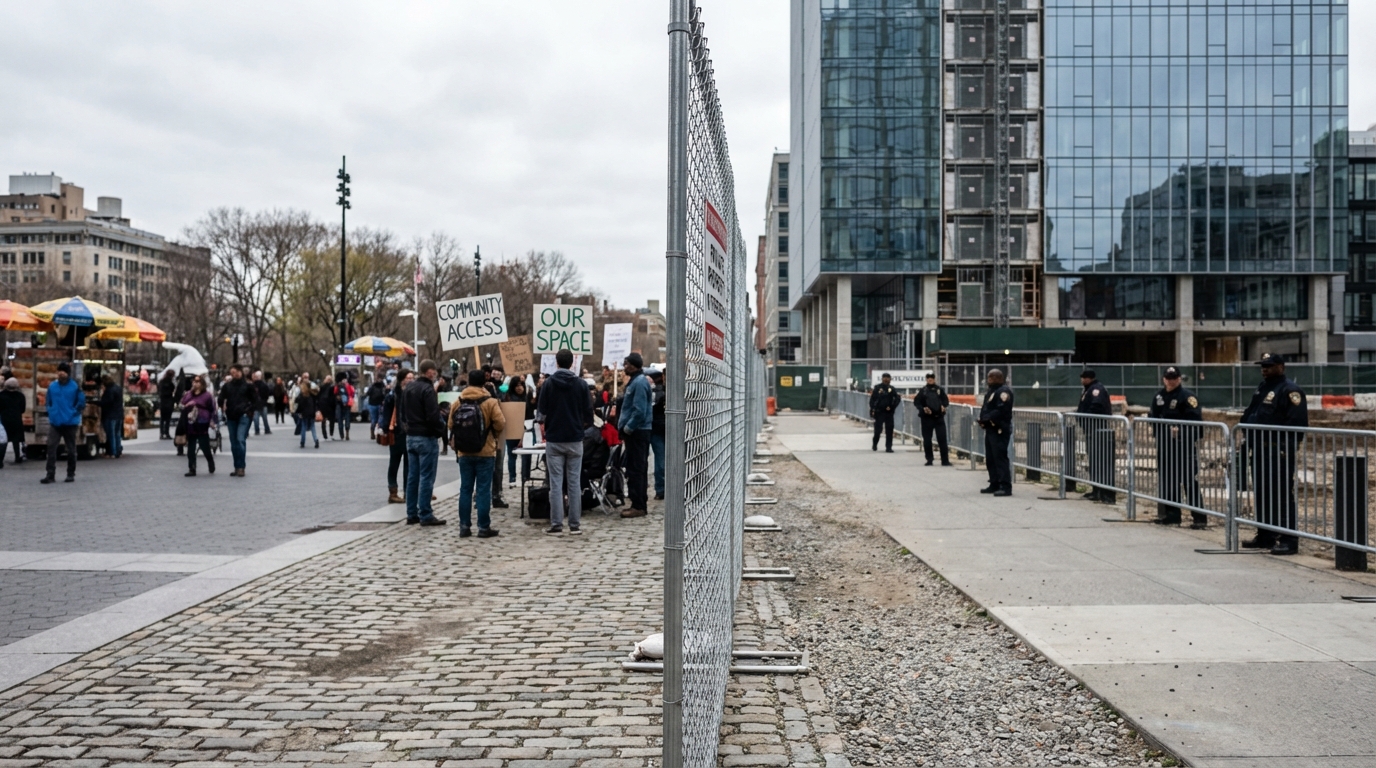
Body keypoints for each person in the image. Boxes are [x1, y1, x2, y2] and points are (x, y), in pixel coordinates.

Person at [1240, 353, 1309, 556]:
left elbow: (1296, 424)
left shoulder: (1290, 390)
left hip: (1277, 450)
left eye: (1269, 366)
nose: (1264, 369)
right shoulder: (1263, 388)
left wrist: (1285, 449)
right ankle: (1265, 534)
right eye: (1263, 365)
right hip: (1259, 448)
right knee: (1262, 493)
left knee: (1281, 494)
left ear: (1281, 366)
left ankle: (1289, 539)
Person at [537, 349, 594, 534]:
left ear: (557, 362)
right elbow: (589, 414)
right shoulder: (581, 384)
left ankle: (556, 524)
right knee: (574, 483)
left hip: (554, 439)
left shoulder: (548, 384)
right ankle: (575, 524)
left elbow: (541, 413)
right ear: (572, 363)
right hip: (575, 438)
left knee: (555, 484)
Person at [1148, 366, 1206, 529]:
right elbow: (1153, 417)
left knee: (1189, 481)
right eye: (1168, 377)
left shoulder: (1187, 397)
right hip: (1165, 446)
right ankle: (1172, 516)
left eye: (1174, 378)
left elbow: (1196, 423)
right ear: (1163, 379)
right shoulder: (1159, 396)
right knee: (1168, 481)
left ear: (1179, 379)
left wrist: (1181, 433)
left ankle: (1199, 518)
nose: (1171, 381)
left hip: (1183, 448)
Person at [451, 369, 506, 538]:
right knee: (483, 490)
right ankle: (483, 527)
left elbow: (450, 424)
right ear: (484, 382)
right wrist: (493, 435)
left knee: (465, 489)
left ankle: (464, 526)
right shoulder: (490, 401)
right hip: (485, 451)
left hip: (464, 452)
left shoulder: (459, 400)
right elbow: (500, 423)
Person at [402, 359, 448, 527]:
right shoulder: (427, 389)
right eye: (433, 371)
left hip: (411, 436)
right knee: (426, 477)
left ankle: (411, 513)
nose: (434, 374)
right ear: (429, 372)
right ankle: (425, 514)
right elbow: (432, 416)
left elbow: (403, 412)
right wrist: (441, 429)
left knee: (413, 477)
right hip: (425, 437)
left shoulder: (409, 388)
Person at [618, 352, 653, 518]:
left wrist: (628, 428)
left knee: (636, 469)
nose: (624, 367)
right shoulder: (636, 381)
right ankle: (638, 502)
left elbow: (639, 410)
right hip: (637, 432)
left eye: (627, 364)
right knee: (635, 468)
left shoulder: (639, 383)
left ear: (634, 365)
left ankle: (638, 505)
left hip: (637, 433)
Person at [1076, 369, 1116, 503]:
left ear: (1090, 378)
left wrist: (1085, 416)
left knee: (1099, 460)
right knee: (1093, 460)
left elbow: (1097, 407)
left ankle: (1103, 491)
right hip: (1090, 430)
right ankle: (1096, 489)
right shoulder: (1088, 389)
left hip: (1097, 430)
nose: (1082, 380)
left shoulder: (1096, 390)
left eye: (1084, 377)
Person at [41, 362, 84, 484]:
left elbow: (81, 402)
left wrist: (73, 413)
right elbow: (48, 400)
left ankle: (70, 473)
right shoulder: (52, 386)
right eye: (59, 371)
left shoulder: (75, 387)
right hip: (55, 421)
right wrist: (50, 411)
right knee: (51, 447)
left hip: (70, 422)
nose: (61, 373)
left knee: (70, 449)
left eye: (63, 371)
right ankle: (50, 474)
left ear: (68, 373)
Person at [977, 368, 1013, 497]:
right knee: (991, 458)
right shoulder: (991, 391)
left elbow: (1001, 409)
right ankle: (994, 483)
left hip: (1000, 428)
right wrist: (983, 420)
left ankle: (1005, 485)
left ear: (1000, 378)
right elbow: (986, 407)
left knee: (1000, 457)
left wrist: (987, 418)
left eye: (993, 377)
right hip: (990, 428)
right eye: (989, 377)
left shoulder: (1003, 392)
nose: (990, 380)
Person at [218, 364, 258, 477]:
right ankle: (237, 466)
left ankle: (241, 467)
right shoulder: (227, 386)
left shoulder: (248, 386)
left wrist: (249, 410)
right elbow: (221, 398)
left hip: (244, 415)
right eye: (232, 373)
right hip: (231, 415)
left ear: (241, 372)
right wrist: (222, 406)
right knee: (234, 442)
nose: (234, 374)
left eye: (235, 372)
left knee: (240, 439)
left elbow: (256, 401)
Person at [382, 369, 412, 504]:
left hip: (409, 433)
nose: (411, 380)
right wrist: (385, 429)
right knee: (394, 463)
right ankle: (393, 492)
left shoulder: (413, 394)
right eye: (408, 378)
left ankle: (407, 492)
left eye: (412, 378)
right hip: (396, 432)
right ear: (401, 380)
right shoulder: (392, 395)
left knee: (409, 464)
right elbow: (386, 413)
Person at [180, 374, 217, 476]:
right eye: (194, 381)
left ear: (202, 384)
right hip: (190, 422)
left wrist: (212, 421)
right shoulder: (188, 394)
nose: (195, 383)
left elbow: (212, 409)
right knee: (191, 446)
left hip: (202, 421)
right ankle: (192, 468)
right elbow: (182, 405)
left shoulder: (207, 395)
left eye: (197, 381)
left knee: (204, 445)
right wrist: (186, 405)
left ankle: (210, 460)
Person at [504, 375, 535, 487]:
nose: (519, 387)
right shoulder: (507, 397)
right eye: (516, 385)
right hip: (513, 429)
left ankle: (525, 476)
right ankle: (513, 477)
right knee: (512, 455)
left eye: (521, 385)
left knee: (526, 455)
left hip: (526, 428)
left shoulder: (528, 397)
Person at [914, 373, 951, 466]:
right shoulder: (923, 391)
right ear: (926, 379)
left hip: (939, 418)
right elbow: (917, 402)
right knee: (927, 440)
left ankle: (945, 460)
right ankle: (929, 459)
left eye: (932, 378)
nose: (930, 380)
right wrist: (923, 409)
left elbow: (946, 400)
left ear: (934, 379)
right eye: (928, 378)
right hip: (927, 418)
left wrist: (944, 406)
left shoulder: (939, 390)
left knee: (942, 439)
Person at [869, 373, 900, 453]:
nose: (886, 379)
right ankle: (875, 443)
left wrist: (892, 407)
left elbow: (897, 399)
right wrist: (872, 409)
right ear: (882, 379)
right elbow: (872, 400)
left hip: (889, 412)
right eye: (884, 378)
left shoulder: (892, 389)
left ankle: (888, 447)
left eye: (887, 378)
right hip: (879, 412)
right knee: (878, 430)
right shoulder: (877, 388)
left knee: (889, 430)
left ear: (890, 379)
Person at [648, 368, 666, 500]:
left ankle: (662, 488)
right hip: (659, 429)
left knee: (662, 460)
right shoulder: (657, 392)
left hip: (661, 428)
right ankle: (661, 489)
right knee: (660, 461)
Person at [0, 378, 27, 467]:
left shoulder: (1, 395)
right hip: (16, 420)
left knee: (4, 440)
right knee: (16, 439)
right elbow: (23, 409)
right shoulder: (20, 396)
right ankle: (17, 456)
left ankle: (1, 459)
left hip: (4, 420)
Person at [97, 374, 124, 459]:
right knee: (117, 434)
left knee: (111, 435)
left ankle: (113, 452)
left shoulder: (109, 391)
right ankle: (118, 451)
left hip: (110, 415)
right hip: (119, 414)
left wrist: (95, 402)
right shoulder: (118, 388)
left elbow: (106, 403)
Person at [294, 373, 320, 449]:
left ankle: (302, 442)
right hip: (312, 411)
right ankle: (316, 440)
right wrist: (316, 410)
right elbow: (316, 402)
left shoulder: (302, 395)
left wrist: (299, 412)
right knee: (312, 426)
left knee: (304, 426)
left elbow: (299, 404)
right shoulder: (312, 394)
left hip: (304, 412)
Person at [251, 370, 273, 436]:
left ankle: (257, 430)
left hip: (255, 403)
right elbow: (268, 393)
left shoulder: (253, 385)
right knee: (264, 418)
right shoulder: (264, 385)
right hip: (263, 403)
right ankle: (267, 429)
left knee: (256, 418)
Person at [334, 373, 355, 440]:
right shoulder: (337, 387)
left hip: (346, 405)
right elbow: (334, 394)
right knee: (340, 420)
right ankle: (342, 434)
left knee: (347, 419)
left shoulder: (349, 387)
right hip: (339, 404)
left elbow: (352, 394)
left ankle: (346, 433)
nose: (345, 381)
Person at [158, 369, 177, 439]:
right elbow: (172, 391)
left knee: (162, 419)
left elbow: (159, 391)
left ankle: (161, 433)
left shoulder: (161, 382)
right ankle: (167, 432)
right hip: (169, 402)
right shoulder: (171, 383)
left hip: (163, 402)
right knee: (168, 419)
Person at [319, 375, 338, 440]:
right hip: (330, 405)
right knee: (331, 420)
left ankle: (325, 434)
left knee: (323, 420)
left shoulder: (322, 386)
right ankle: (331, 434)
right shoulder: (333, 387)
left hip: (323, 404)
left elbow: (319, 395)